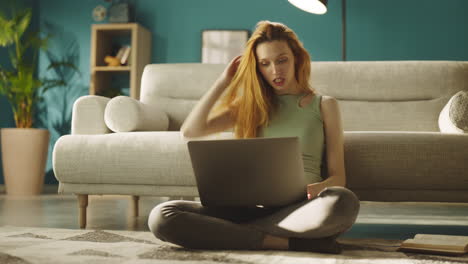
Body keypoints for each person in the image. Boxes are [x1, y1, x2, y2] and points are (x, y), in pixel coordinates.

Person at [148, 20, 360, 253]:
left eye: (282, 60)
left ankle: (230, 233)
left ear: (296, 58)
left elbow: (338, 177)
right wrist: (223, 82)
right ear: (257, 68)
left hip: (301, 208)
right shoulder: (252, 106)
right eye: (265, 64)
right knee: (162, 216)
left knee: (344, 202)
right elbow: (190, 131)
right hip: (248, 206)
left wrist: (313, 189)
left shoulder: (325, 105)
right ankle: (286, 242)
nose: (275, 71)